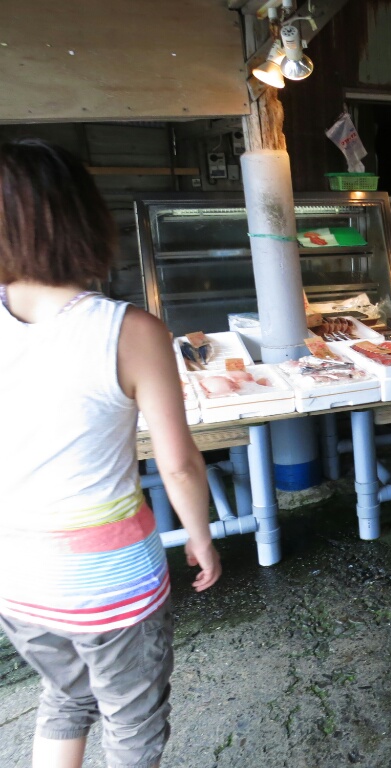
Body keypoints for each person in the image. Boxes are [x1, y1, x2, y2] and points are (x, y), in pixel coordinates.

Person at [0, 139, 221, 768]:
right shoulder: (129, 331)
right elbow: (178, 462)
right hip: (110, 580)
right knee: (132, 723)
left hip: (16, 576)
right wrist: (200, 536)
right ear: (84, 217)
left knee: (65, 697)